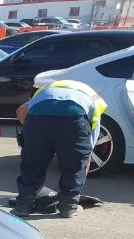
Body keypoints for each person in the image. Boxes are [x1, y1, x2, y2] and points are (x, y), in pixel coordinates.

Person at [11, 80, 106, 218]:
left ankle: (23, 206)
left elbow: (20, 112)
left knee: (33, 163)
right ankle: (68, 207)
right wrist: (82, 162)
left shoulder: (45, 90)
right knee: (74, 165)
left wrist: (33, 135)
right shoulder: (94, 100)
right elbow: (86, 153)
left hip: (38, 118)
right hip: (74, 118)